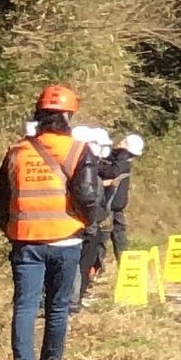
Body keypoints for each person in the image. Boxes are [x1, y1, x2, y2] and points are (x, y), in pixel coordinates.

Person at [0, 88, 91, 360]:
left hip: (25, 242)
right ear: (68, 117)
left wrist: (12, 230)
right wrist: (86, 223)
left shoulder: (17, 151)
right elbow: (89, 196)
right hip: (66, 240)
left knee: (24, 306)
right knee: (57, 307)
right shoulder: (77, 150)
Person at [76, 129, 140, 311]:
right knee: (101, 244)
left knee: (102, 244)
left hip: (108, 208)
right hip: (106, 208)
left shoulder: (118, 160)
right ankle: (93, 277)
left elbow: (109, 172)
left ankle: (95, 277)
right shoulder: (118, 160)